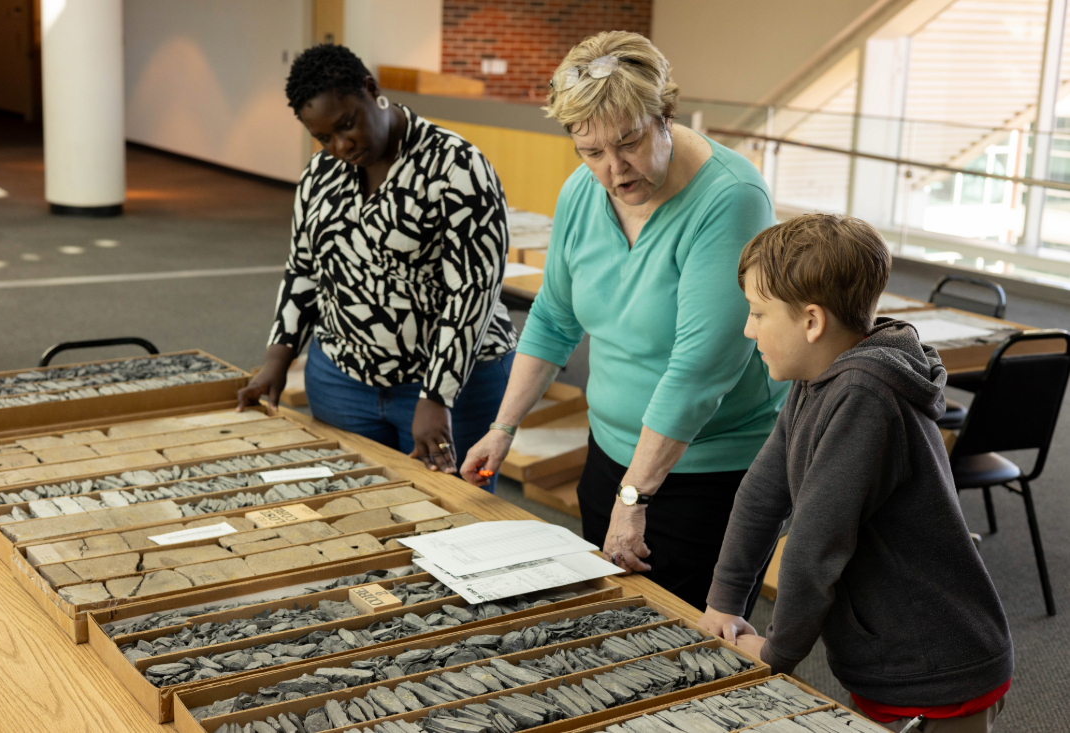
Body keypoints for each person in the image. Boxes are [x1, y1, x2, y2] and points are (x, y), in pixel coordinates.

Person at [460, 31, 788, 611]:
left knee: (684, 645)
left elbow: (699, 370)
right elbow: (553, 319)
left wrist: (634, 496)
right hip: (610, 451)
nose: (613, 169)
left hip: (709, 470)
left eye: (629, 142)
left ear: (666, 116)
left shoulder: (732, 199)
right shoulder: (581, 194)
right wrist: (503, 426)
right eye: (591, 152)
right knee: (607, 618)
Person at [699, 214, 1013, 732]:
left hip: (934, 671)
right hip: (887, 655)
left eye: (757, 313)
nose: (747, 328)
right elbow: (762, 492)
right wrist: (724, 600)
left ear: (812, 322)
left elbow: (815, 544)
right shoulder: (818, 375)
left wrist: (778, 651)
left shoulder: (863, 395)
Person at [238, 44, 517, 492]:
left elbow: (473, 290)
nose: (341, 146)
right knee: (357, 506)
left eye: (347, 124)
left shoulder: (457, 166)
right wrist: (278, 357)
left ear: (371, 90)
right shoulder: (319, 175)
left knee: (456, 522)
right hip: (342, 381)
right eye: (324, 137)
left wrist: (435, 396)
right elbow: (304, 269)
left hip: (449, 389)